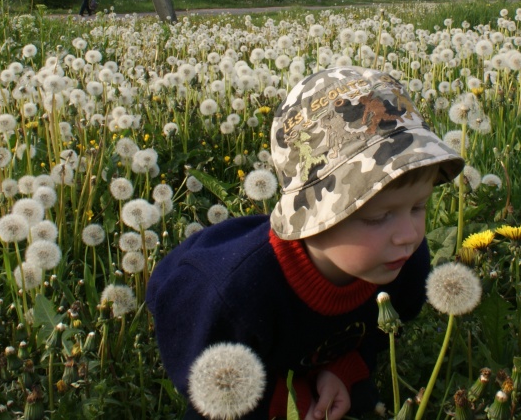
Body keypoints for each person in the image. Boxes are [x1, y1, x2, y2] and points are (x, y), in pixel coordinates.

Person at [147, 66, 464, 419]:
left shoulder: (402, 259)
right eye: (377, 217)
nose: (409, 235)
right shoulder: (230, 294)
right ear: (314, 216)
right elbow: (204, 384)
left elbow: (380, 333)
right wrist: (284, 397)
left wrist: (343, 370)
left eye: (418, 206)